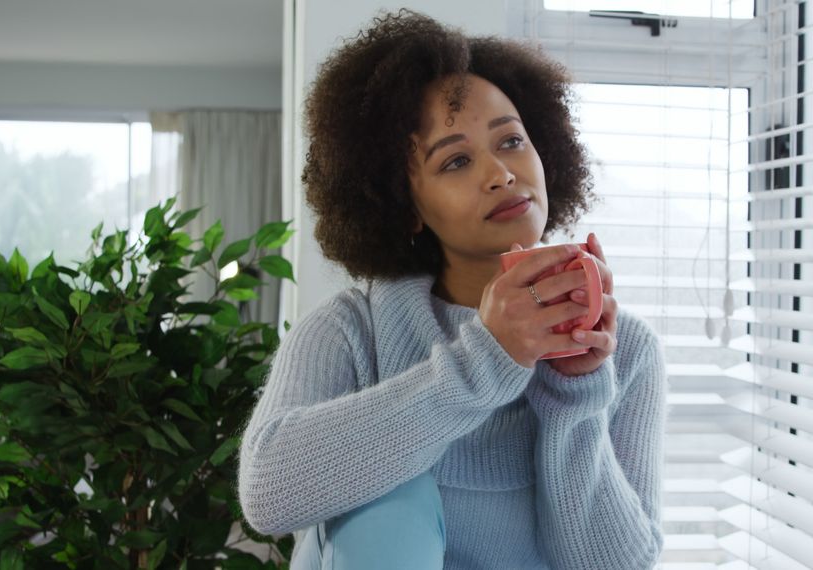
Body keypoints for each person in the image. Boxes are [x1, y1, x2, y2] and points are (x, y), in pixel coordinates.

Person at [237, 9, 666, 569]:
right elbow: (267, 494)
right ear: (405, 206)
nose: (500, 173)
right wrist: (488, 358)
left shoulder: (623, 348)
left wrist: (575, 396)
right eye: (456, 160)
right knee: (391, 501)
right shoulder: (352, 329)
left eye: (511, 140)